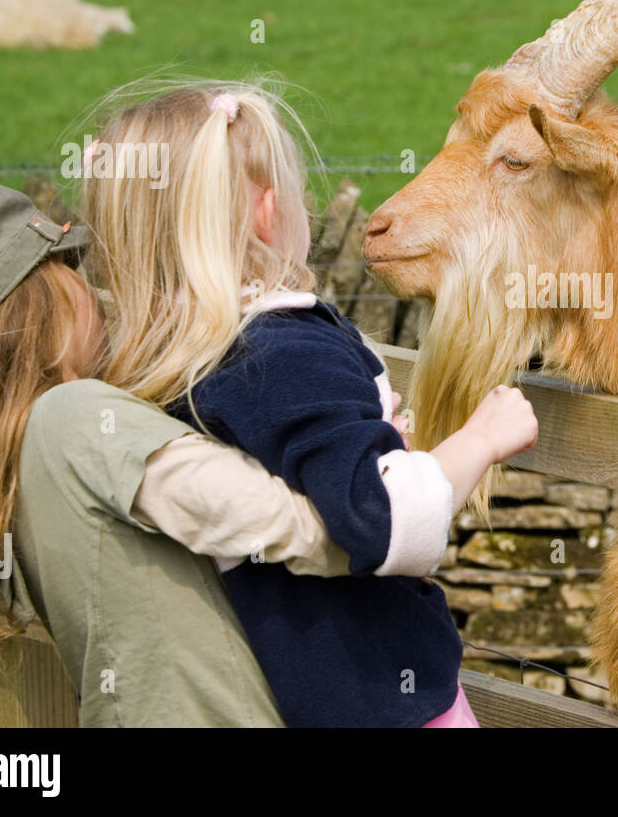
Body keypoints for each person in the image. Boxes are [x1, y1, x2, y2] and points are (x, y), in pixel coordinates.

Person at [79, 79, 538, 727]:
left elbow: (301, 468)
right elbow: (383, 519)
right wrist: (480, 441)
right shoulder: (285, 353)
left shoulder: (176, 357)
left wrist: (370, 435)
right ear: (268, 213)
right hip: (383, 695)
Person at [0, 183, 372, 726]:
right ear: (38, 304)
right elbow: (332, 533)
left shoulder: (3, 475)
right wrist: (405, 478)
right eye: (66, 266)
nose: (93, 289)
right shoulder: (73, 419)